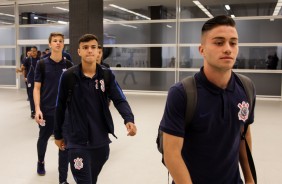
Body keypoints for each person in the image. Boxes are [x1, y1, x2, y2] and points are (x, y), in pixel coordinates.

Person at [159, 15, 256, 184]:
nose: (228, 49)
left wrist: (250, 178)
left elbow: (244, 133)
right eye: (219, 42)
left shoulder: (246, 87)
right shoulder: (182, 93)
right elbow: (171, 154)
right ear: (202, 50)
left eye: (233, 43)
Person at [54, 34, 137, 184]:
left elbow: (119, 99)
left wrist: (128, 119)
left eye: (93, 47)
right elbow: (59, 107)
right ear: (79, 51)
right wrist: (58, 135)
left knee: (92, 179)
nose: (90, 51)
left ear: (99, 51)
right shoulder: (68, 76)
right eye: (85, 48)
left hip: (101, 142)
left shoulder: (106, 75)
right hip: (77, 141)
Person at [33, 32, 72, 184]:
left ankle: (62, 179)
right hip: (46, 111)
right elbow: (36, 88)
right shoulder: (42, 64)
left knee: (63, 143)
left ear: (63, 44)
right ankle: (40, 161)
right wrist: (37, 109)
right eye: (54, 41)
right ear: (49, 44)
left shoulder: (68, 65)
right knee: (43, 138)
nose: (57, 43)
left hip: (64, 113)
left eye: (60, 41)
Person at [22, 46, 40, 118]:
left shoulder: (40, 60)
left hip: (38, 80)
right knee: (31, 96)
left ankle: (39, 110)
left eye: (34, 51)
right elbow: (23, 68)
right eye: (31, 51)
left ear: (36, 52)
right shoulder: (28, 60)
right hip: (30, 80)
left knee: (39, 95)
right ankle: (33, 112)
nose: (32, 52)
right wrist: (25, 77)